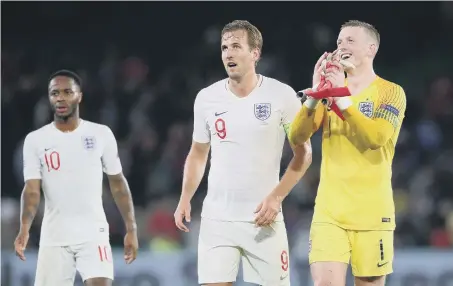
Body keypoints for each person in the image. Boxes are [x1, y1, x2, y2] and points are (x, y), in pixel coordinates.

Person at [174, 20, 312, 286]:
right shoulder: (206, 98)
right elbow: (198, 153)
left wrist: (276, 197)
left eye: (236, 46)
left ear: (255, 53)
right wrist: (185, 198)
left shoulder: (281, 95)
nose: (228, 53)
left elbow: (303, 154)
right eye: (224, 47)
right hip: (217, 219)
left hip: (263, 218)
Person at [289, 20, 407, 286]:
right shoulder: (327, 94)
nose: (342, 46)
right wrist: (316, 94)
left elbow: (375, 137)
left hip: (372, 214)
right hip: (329, 212)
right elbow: (297, 136)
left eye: (350, 41)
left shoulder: (391, 92)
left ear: (371, 49)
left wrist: (341, 96)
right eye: (340, 41)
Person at [14, 70, 139, 286]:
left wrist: (131, 229)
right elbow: (32, 190)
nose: (60, 98)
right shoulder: (35, 141)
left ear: (79, 96)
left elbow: (118, 184)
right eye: (54, 93)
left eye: (67, 92)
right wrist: (24, 228)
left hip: (93, 231)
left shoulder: (101, 134)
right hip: (55, 235)